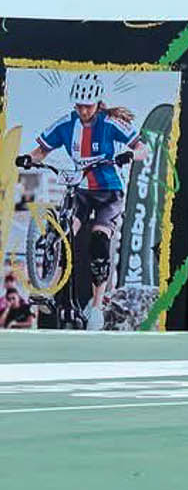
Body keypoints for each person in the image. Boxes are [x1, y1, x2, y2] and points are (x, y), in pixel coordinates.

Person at [20, 73, 150, 330]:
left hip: (109, 193)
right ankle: (48, 289)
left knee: (99, 242)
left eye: (88, 106)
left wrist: (129, 155)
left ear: (97, 103)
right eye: (79, 106)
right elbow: (42, 150)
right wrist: (28, 158)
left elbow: (143, 148)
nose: (83, 111)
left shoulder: (110, 123)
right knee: (61, 235)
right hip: (81, 191)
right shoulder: (66, 125)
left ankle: (97, 306)